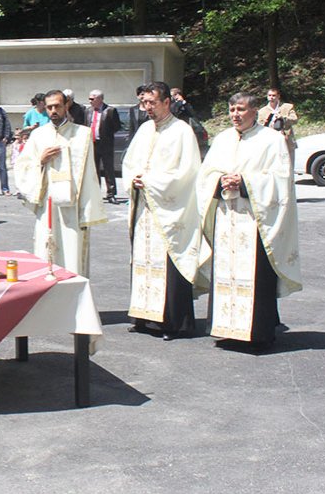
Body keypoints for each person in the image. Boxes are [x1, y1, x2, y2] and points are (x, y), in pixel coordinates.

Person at [198, 92, 301, 349]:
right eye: (232, 109)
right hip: (226, 218)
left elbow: (280, 179)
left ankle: (257, 333)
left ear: (255, 111)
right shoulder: (222, 139)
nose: (235, 114)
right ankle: (227, 327)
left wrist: (244, 182)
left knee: (256, 276)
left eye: (241, 109)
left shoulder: (272, 140)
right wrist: (219, 180)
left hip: (256, 221)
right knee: (226, 272)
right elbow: (206, 174)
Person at [123, 82, 207, 340]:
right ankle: (145, 317)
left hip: (170, 211)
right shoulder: (145, 129)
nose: (147, 108)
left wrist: (149, 181)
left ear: (167, 102)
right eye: (144, 103)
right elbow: (129, 162)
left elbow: (187, 173)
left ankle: (173, 323)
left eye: (152, 103)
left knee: (169, 265)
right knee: (144, 262)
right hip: (145, 209)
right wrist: (134, 179)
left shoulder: (181, 131)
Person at [13, 90, 106, 276]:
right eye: (49, 107)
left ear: (66, 106)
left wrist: (87, 208)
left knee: (73, 252)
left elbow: (90, 174)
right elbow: (21, 167)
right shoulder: (38, 135)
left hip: (74, 206)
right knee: (46, 251)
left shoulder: (82, 134)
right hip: (47, 204)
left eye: (57, 106)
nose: (53, 110)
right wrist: (40, 160)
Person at [87, 89, 121, 202]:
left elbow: (116, 126)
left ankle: (111, 194)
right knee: (94, 169)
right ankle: (96, 193)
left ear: (100, 99)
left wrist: (106, 134)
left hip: (105, 144)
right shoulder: (88, 111)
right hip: (92, 143)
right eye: (89, 99)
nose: (90, 101)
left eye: (92, 99)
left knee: (108, 169)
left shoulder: (110, 110)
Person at [258, 88, 298, 162]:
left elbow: (295, 119)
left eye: (274, 95)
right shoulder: (262, 111)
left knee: (289, 167)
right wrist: (267, 123)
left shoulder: (287, 107)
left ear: (278, 96)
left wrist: (283, 118)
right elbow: (259, 128)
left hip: (287, 141)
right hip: (271, 143)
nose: (271, 97)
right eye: (269, 95)